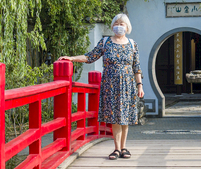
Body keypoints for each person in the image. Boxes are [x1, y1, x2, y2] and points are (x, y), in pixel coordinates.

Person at [58, 14, 143, 159]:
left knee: (125, 117)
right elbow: (90, 56)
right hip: (110, 84)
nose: (119, 26)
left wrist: (139, 85)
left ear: (127, 27)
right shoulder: (105, 42)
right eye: (116, 23)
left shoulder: (132, 44)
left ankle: (124, 147)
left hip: (128, 84)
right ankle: (117, 149)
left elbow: (137, 67)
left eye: (122, 24)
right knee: (115, 116)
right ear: (111, 26)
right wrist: (72, 58)